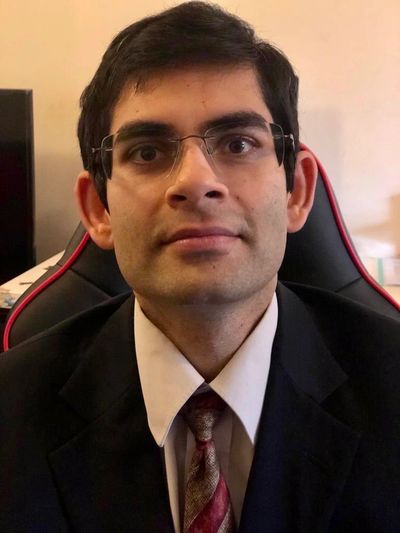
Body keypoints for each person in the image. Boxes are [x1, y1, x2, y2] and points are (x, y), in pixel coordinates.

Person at [0, 2, 399, 532]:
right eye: (147, 152)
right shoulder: (10, 412)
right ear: (98, 210)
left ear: (297, 192)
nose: (195, 180)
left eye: (238, 143)